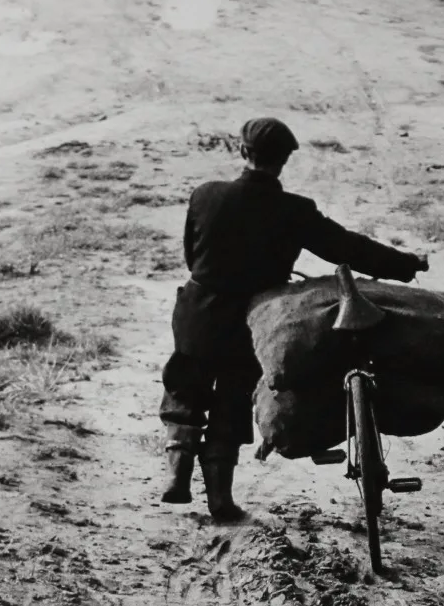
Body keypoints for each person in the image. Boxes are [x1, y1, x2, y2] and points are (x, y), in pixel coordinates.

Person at [159, 116, 428, 521]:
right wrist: (405, 264)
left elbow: (191, 258)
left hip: (198, 312)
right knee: (233, 398)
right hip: (253, 321)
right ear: (284, 160)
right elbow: (348, 247)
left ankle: (176, 477)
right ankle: (220, 500)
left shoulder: (205, 195)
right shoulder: (295, 211)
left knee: (185, 387)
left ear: (242, 152)